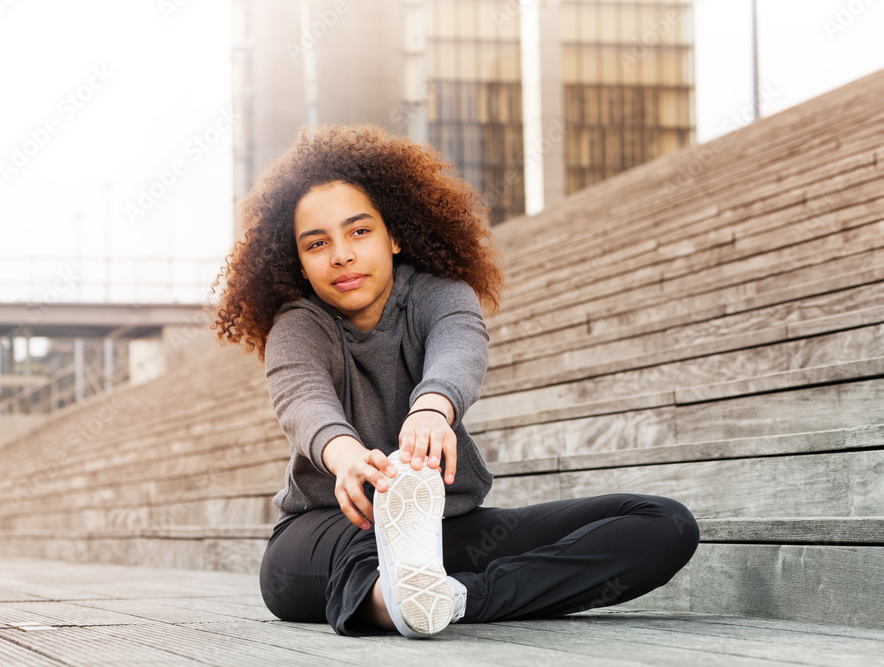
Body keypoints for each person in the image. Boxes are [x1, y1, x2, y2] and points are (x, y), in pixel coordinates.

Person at [211, 123, 700, 638]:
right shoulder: (298, 325)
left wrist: (432, 409)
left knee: (662, 523)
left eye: (359, 231)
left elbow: (458, 346)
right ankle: (401, 593)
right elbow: (301, 398)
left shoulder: (440, 294)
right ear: (301, 264)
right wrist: (348, 459)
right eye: (317, 243)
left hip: (447, 531)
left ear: (394, 234)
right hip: (328, 530)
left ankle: (451, 598)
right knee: (369, 536)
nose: (341, 255)